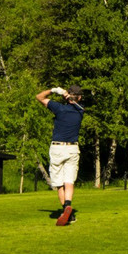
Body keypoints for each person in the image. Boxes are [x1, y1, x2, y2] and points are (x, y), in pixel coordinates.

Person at [36, 84, 85, 226]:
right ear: (79, 97)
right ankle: (68, 207)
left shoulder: (59, 108)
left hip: (57, 148)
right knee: (69, 181)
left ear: (67, 95)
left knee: (59, 184)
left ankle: (65, 209)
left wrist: (53, 91)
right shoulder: (80, 111)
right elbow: (78, 104)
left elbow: (39, 97)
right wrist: (69, 96)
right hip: (72, 149)